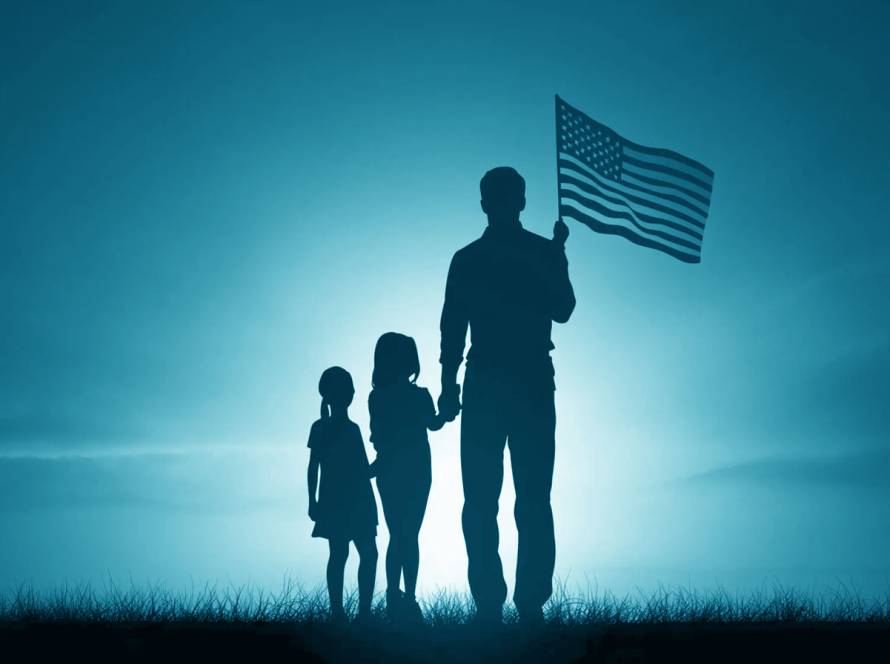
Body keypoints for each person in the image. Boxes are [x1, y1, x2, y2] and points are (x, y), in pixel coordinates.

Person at [437, 166, 576, 625]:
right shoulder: (517, 254)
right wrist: (556, 258)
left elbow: (562, 309)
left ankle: (506, 605)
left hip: (505, 383)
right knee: (510, 499)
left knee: (505, 498)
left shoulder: (475, 258)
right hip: (517, 382)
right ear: (517, 201)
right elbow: (454, 328)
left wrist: (448, 386)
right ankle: (512, 604)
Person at [368, 332, 445, 621]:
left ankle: (395, 595)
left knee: (399, 534)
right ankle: (405, 597)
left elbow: (379, 436)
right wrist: (448, 410)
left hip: (391, 469)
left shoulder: (377, 397)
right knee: (408, 534)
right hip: (414, 469)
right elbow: (434, 423)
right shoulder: (418, 395)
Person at [307, 366, 378, 623]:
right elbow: (313, 466)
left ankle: (358, 613)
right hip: (345, 500)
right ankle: (347, 612)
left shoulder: (349, 429)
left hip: (353, 499)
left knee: (353, 554)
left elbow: (360, 470)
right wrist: (311, 500)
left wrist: (379, 464)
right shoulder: (324, 428)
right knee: (349, 554)